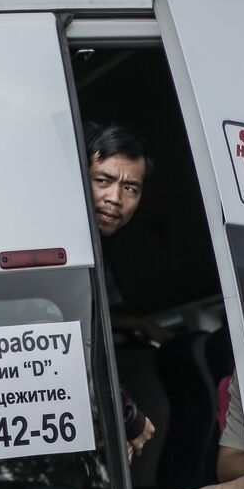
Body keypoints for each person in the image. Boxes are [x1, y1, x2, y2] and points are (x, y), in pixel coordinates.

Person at [82, 121, 156, 459]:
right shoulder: (71, 247)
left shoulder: (95, 248)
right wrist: (129, 418)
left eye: (131, 188)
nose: (115, 198)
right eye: (103, 181)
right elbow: (77, 344)